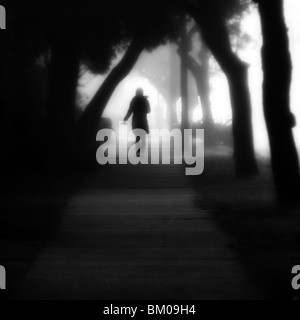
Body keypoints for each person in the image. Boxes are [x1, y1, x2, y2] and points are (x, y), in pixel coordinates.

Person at [123, 88, 151, 155]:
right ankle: (141, 151)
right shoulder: (145, 100)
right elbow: (149, 110)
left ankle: (138, 151)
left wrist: (125, 119)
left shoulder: (134, 100)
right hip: (143, 120)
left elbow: (130, 110)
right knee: (143, 137)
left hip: (136, 120)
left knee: (138, 136)